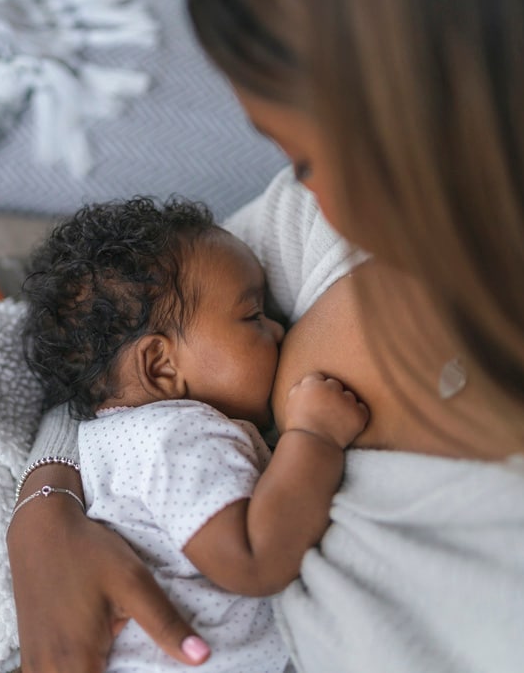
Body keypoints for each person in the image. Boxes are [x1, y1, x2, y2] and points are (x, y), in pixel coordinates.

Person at [6, 0, 524, 671]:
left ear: (435, 124)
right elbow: (112, 343)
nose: (297, 187)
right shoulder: (321, 236)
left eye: (310, 160)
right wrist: (46, 512)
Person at [19, 197, 368, 671]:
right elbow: (253, 557)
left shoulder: (113, 441)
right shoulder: (178, 436)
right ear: (161, 366)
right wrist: (315, 436)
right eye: (253, 316)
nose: (280, 329)